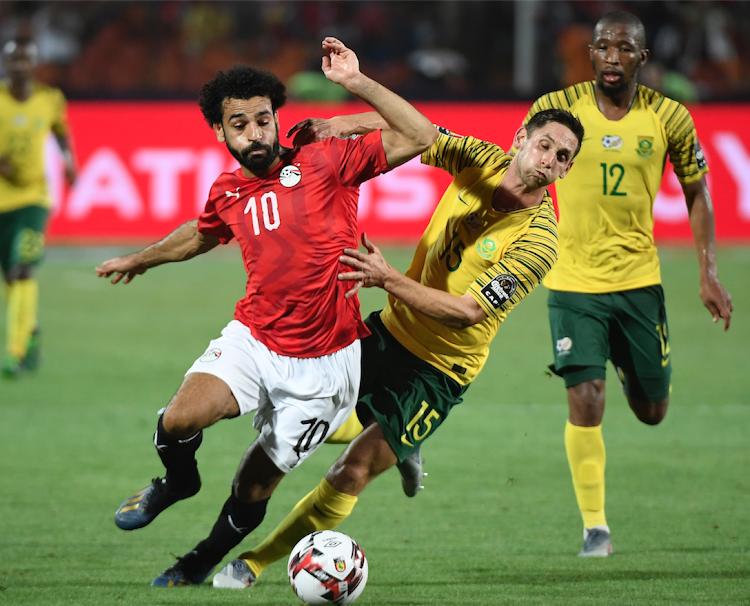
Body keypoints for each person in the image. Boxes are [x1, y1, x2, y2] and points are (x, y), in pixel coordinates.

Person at [95, 37, 437, 586]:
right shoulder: (228, 189)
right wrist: (142, 257)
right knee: (176, 421)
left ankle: (199, 561)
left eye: (262, 120)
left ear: (278, 119)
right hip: (254, 339)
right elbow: (200, 236)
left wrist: (351, 97)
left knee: (252, 487)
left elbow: (421, 135)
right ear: (220, 132)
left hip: (326, 365)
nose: (254, 134)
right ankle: (177, 483)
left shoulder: (326, 158)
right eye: (239, 124)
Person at [204, 107, 585, 589]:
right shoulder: (479, 159)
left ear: (568, 169)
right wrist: (342, 125)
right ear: (520, 139)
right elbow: (415, 130)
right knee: (308, 427)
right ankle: (405, 447)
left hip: (438, 371)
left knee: (352, 470)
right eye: (545, 145)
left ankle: (254, 562)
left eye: (562, 156)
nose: (549, 159)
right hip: (385, 334)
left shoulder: (540, 240)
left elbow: (467, 311)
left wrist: (388, 279)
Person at [521, 11, 733, 557]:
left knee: (651, 412)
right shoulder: (558, 111)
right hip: (572, 283)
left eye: (624, 48)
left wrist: (708, 272)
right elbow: (519, 173)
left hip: (640, 282)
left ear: (642, 57)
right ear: (590, 53)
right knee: (585, 400)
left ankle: (621, 356)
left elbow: (697, 191)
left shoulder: (670, 118)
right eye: (603, 47)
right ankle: (596, 527)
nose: (612, 57)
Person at [0, 37, 77, 378]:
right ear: (5, 64)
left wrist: (69, 160)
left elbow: (60, 131)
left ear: (33, 64)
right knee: (10, 279)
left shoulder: (49, 99)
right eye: (13, 60)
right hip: (2, 200)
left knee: (22, 270)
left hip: (34, 199)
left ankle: (13, 354)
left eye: (24, 60)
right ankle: (29, 334)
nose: (19, 66)